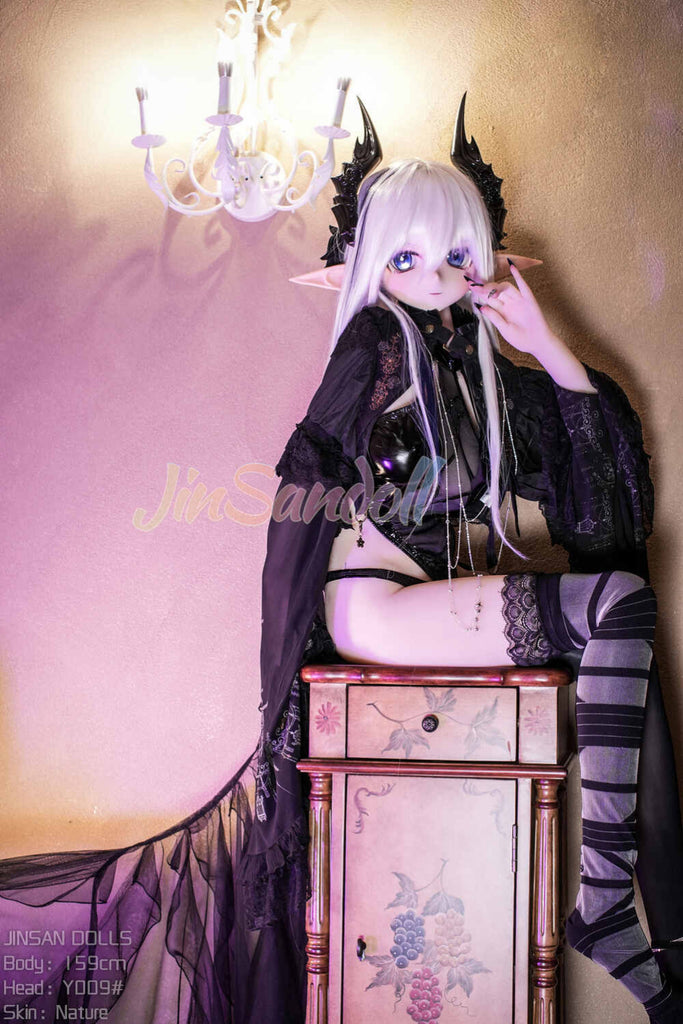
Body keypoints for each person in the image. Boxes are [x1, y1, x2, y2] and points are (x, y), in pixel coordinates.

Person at [253, 100, 683, 1022]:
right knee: (617, 605)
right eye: (405, 257)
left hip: (416, 598)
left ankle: (611, 901)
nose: (435, 275)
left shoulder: (471, 364)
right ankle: (608, 902)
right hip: (370, 601)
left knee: (624, 619)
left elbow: (604, 500)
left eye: (454, 254)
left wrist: (544, 342)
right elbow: (306, 481)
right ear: (372, 261)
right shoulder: (375, 341)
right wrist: (283, 662)